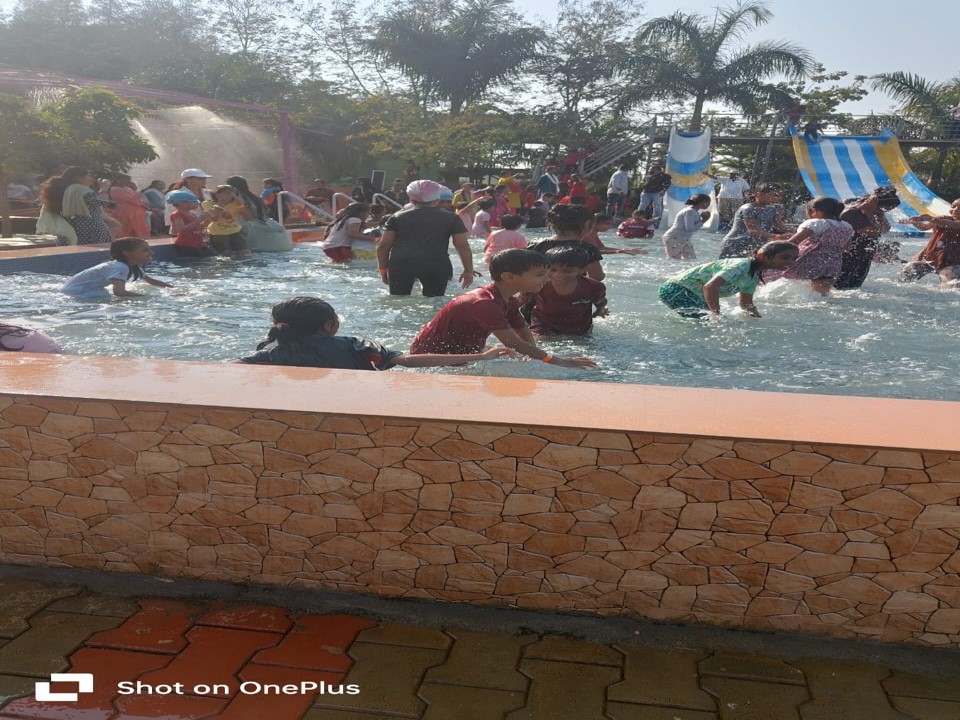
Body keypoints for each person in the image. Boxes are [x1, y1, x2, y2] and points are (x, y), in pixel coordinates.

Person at [409, 249, 595, 368]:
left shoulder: (508, 300)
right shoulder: (485, 303)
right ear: (509, 277)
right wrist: (559, 362)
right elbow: (514, 343)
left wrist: (534, 357)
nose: (547, 279)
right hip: (430, 358)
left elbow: (523, 331)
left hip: (461, 354)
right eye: (540, 275)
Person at [236, 296, 508, 370]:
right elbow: (410, 360)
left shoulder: (270, 354)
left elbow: (229, 368)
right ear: (330, 325)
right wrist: (481, 356)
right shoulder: (356, 347)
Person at [377, 180, 475, 297]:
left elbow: (384, 245)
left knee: (398, 300)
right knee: (435, 301)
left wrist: (383, 269)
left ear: (411, 198)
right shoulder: (451, 218)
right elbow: (462, 246)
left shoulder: (397, 217)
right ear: (437, 198)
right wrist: (468, 270)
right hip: (436, 262)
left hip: (401, 263)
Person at [659, 241, 799, 318]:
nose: (791, 262)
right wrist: (716, 315)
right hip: (677, 289)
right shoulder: (741, 266)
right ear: (762, 256)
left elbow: (746, 304)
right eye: (785, 257)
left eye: (794, 258)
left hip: (690, 293)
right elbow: (710, 287)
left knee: (706, 322)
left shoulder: (753, 276)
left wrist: (758, 322)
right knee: (707, 323)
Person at [766, 197, 853, 295]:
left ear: (814, 211)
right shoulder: (846, 226)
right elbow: (846, 248)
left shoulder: (817, 223)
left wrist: (770, 250)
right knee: (820, 295)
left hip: (807, 260)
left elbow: (792, 243)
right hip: (832, 265)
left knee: (776, 278)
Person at [522, 247, 607, 336]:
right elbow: (522, 303)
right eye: (552, 270)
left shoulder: (593, 287)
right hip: (544, 324)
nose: (557, 275)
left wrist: (600, 310)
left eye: (567, 271)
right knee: (540, 339)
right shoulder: (539, 284)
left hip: (578, 326)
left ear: (582, 269)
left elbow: (600, 301)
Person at [833, 187, 901, 290]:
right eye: (883, 209)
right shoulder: (851, 212)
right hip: (848, 253)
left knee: (856, 285)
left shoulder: (877, 213)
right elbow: (870, 231)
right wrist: (868, 213)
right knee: (839, 284)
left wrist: (878, 214)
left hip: (865, 253)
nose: (884, 211)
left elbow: (886, 228)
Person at [62, 237, 172, 298]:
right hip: (77, 292)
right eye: (145, 250)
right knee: (104, 295)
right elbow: (119, 292)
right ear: (127, 253)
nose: (151, 253)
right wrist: (148, 297)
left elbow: (151, 281)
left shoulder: (130, 265)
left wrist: (173, 289)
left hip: (75, 289)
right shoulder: (120, 267)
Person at [37, 167, 113, 246]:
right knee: (95, 250)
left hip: (69, 228)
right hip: (89, 228)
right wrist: (106, 192)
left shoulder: (62, 191)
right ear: (79, 178)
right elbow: (94, 202)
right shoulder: (82, 190)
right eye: (88, 176)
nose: (91, 179)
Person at [528, 204, 605, 281]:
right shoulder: (588, 249)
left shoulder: (535, 244)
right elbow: (597, 277)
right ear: (588, 224)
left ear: (552, 224)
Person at [899, 198, 960, 285]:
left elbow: (953, 224)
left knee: (952, 284)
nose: (955, 210)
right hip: (930, 257)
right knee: (905, 276)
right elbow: (924, 227)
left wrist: (931, 219)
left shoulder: (941, 221)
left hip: (952, 261)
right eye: (953, 206)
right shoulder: (941, 218)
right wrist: (913, 222)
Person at [718, 184, 789, 258]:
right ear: (758, 194)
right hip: (734, 244)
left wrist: (795, 231)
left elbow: (780, 227)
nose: (778, 198)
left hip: (753, 246)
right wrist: (777, 236)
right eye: (774, 195)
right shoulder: (748, 208)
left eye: (779, 196)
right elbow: (753, 231)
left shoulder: (772, 209)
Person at [227, 175, 291, 252]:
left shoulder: (237, 197)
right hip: (268, 224)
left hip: (250, 229)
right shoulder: (254, 197)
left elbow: (247, 217)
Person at [201, 185, 252, 256]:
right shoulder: (208, 203)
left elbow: (248, 218)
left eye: (234, 194)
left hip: (236, 231)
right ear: (217, 194)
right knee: (224, 254)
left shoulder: (236, 204)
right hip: (218, 233)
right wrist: (220, 204)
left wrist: (241, 206)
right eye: (227, 193)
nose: (231, 195)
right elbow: (214, 218)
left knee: (245, 252)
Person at [662, 194, 711, 260]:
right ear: (704, 202)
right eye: (708, 202)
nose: (709, 205)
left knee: (691, 259)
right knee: (674, 260)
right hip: (674, 237)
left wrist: (702, 219)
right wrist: (703, 221)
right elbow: (689, 228)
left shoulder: (694, 212)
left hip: (684, 238)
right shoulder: (689, 211)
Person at [167, 190, 214, 257]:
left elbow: (198, 227)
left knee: (213, 256)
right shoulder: (177, 215)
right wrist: (200, 219)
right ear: (182, 203)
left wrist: (208, 220)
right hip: (186, 245)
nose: (197, 204)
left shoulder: (192, 214)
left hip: (198, 244)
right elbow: (180, 230)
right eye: (194, 202)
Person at [106, 174, 150, 238]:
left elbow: (137, 196)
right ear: (118, 180)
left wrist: (141, 203)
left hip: (135, 210)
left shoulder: (127, 188)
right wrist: (141, 203)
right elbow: (131, 198)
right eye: (126, 180)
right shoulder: (114, 189)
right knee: (127, 227)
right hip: (124, 211)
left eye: (129, 180)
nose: (128, 182)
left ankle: (138, 237)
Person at [582, 214, 647, 255]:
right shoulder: (587, 235)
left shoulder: (594, 234)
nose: (609, 226)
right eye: (607, 224)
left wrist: (626, 250)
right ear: (594, 223)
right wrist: (619, 251)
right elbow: (593, 252)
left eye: (610, 224)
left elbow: (602, 248)